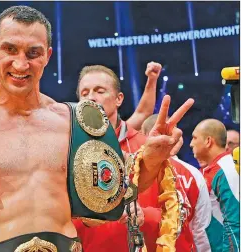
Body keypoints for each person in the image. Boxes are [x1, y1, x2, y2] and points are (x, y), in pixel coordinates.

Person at [0, 6, 193, 251]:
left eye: (33, 53)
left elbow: (116, 196)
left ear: (48, 56)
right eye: (10, 49)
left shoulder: (72, 122)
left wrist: (152, 158)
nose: (21, 64)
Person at [73, 64, 190, 251]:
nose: (91, 98)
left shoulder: (148, 147)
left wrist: (146, 216)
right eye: (84, 93)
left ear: (119, 99)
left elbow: (179, 212)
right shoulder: (68, 151)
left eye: (99, 91)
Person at [142, 114, 212, 251]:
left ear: (143, 136)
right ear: (178, 138)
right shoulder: (194, 175)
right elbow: (201, 232)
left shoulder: (131, 171)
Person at [190, 119, 240, 252]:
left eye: (194, 138)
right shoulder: (209, 170)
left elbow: (235, 221)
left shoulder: (227, 169)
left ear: (208, 141)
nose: (191, 144)